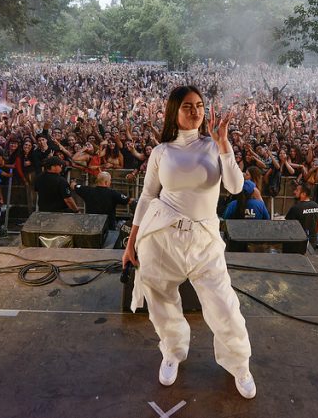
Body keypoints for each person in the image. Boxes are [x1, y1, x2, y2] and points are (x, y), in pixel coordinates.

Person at [121, 85, 255, 399]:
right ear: (174, 111)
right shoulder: (161, 152)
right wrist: (131, 242)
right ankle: (172, 351)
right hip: (162, 238)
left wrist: (224, 145)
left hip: (204, 240)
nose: (195, 111)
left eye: (199, 105)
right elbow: (147, 197)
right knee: (161, 300)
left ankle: (239, 365)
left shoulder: (214, 146)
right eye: (187, 106)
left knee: (225, 307)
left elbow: (236, 187)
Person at [285, 181, 318, 252]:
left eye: (297, 190)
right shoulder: (317, 206)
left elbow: (288, 225)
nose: (294, 192)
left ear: (303, 194)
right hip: (312, 242)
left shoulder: (295, 208)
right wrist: (314, 235)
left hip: (297, 242)